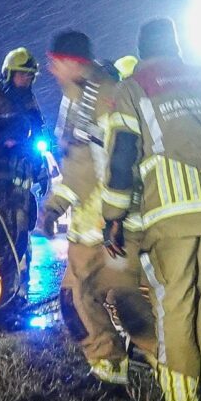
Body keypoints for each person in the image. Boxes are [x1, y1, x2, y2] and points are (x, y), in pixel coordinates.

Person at [98, 17, 201, 401]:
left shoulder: (134, 88)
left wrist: (113, 214)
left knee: (175, 302)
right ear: (176, 46)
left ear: (143, 50)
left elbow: (123, 154)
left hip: (170, 211)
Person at [43, 31, 152, 383]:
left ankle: (172, 370)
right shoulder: (75, 98)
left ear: (74, 63)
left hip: (109, 226)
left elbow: (94, 167)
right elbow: (76, 160)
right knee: (78, 300)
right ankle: (108, 370)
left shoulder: (104, 96)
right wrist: (57, 205)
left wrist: (58, 204)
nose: (51, 70)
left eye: (56, 63)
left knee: (124, 302)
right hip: (89, 227)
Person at [0, 47, 49, 319]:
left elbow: (37, 135)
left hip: (23, 178)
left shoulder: (29, 101)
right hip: (0, 177)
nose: (26, 80)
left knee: (19, 236)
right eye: (22, 75)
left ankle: (12, 291)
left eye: (30, 76)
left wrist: (41, 170)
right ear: (9, 74)